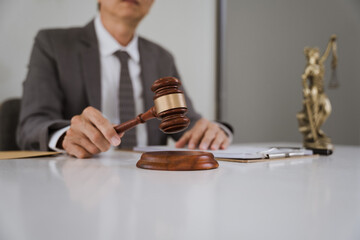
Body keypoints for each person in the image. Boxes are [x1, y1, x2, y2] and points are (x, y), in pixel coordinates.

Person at [17, 0, 232, 158]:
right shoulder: (53, 45)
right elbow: (32, 124)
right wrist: (66, 135)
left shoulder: (161, 57)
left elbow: (186, 121)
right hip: (79, 179)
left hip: (151, 181)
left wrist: (215, 131)